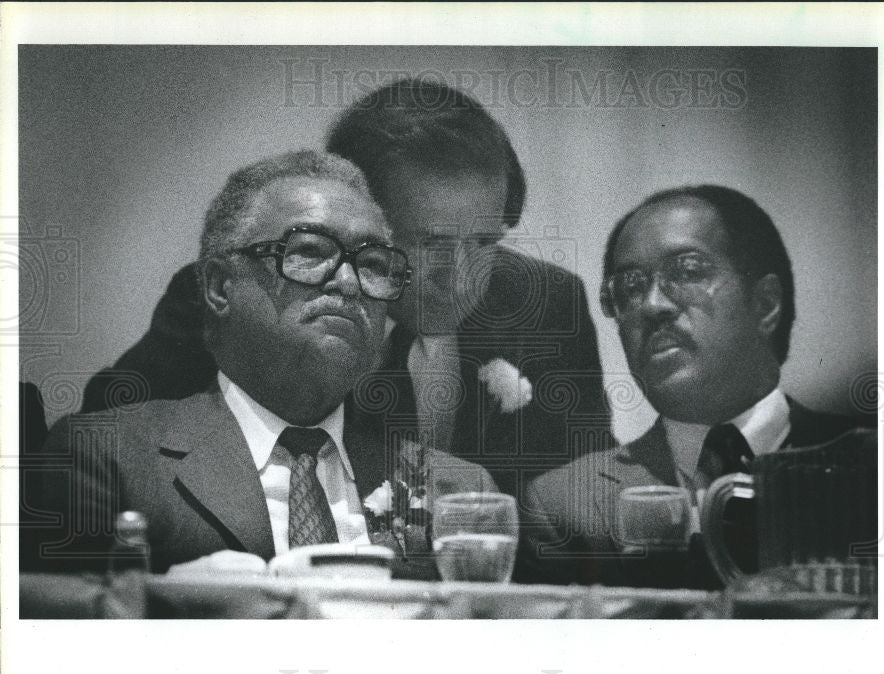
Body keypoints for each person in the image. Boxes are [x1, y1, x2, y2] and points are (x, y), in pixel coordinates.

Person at [80, 79, 611, 505]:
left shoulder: (548, 303)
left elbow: (587, 490)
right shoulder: (250, 291)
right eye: (429, 242)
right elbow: (113, 431)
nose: (460, 274)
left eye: (484, 240)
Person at [27, 151, 495, 575]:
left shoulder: (453, 487)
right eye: (309, 251)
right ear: (218, 286)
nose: (350, 283)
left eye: (372, 262)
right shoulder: (106, 457)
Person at [516, 185, 872, 589]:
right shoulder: (563, 505)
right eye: (630, 287)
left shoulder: (878, 465)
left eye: (687, 272)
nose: (652, 305)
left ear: (765, 304)